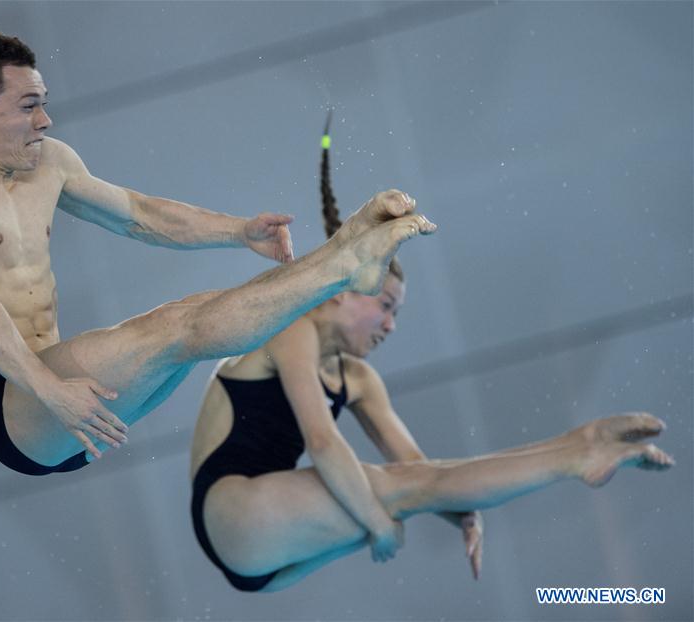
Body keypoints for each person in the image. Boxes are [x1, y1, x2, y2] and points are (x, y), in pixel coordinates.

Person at [0, 32, 436, 476]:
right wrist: (52, 393)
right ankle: (345, 265)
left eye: (45, 105)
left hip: (66, 395)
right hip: (15, 404)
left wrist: (237, 231)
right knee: (178, 325)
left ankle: (344, 260)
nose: (46, 121)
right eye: (29, 106)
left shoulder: (48, 163)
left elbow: (138, 213)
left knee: (194, 320)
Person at [187, 124, 674, 592]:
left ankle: (578, 449)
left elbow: (419, 468)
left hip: (272, 550)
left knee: (409, 486)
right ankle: (577, 450)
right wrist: (378, 523)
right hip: (234, 512)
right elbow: (322, 442)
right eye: (384, 305)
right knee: (384, 497)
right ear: (342, 291)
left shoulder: (358, 379)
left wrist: (461, 510)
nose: (391, 326)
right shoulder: (292, 328)